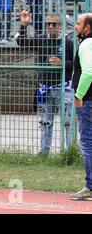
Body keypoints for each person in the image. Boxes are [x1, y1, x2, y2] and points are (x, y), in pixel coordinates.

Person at [16, 10, 74, 154]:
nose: (50, 27)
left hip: (64, 88)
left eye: (54, 24)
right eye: (48, 24)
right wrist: (24, 24)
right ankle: (44, 151)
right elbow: (21, 42)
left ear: (60, 26)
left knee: (67, 122)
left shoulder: (68, 42)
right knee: (45, 122)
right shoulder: (41, 39)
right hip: (45, 88)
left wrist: (63, 64)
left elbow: (76, 64)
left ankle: (70, 152)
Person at [70, 14, 92, 200]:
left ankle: (90, 186)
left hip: (88, 100)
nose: (76, 26)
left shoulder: (86, 44)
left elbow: (88, 72)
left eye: (78, 23)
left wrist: (79, 95)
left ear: (88, 28)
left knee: (87, 142)